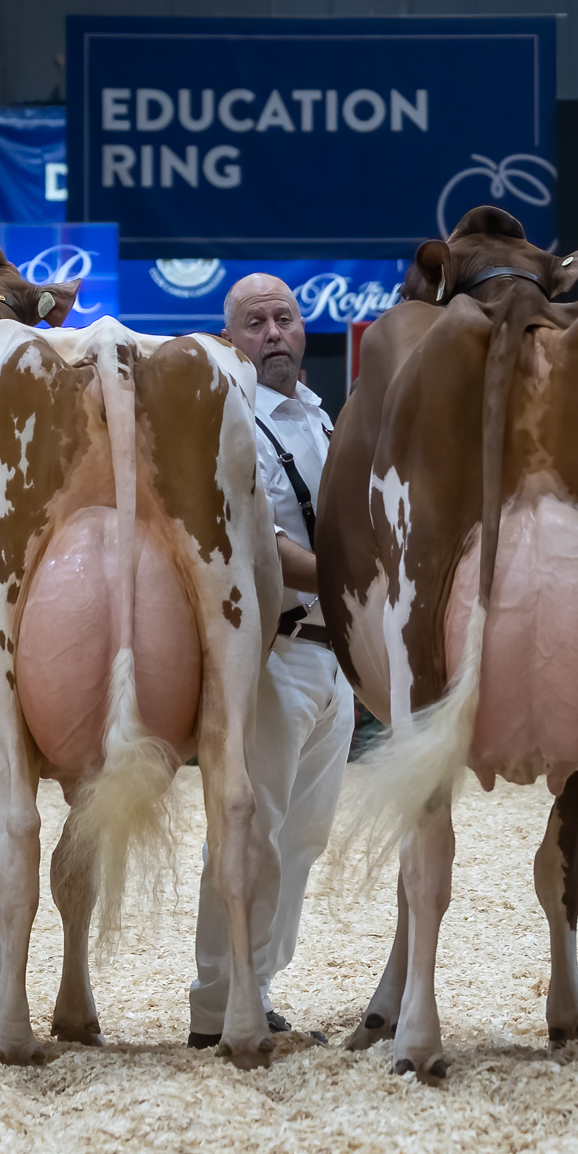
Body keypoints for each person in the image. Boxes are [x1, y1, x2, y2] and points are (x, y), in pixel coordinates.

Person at [189, 273, 353, 1045]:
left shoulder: (320, 416)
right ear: (231, 341)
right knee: (250, 832)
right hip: (271, 655)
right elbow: (265, 546)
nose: (274, 333)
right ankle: (216, 1008)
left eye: (284, 317)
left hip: (335, 656)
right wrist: (359, 579)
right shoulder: (232, 421)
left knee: (303, 837)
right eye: (255, 323)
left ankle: (258, 988)